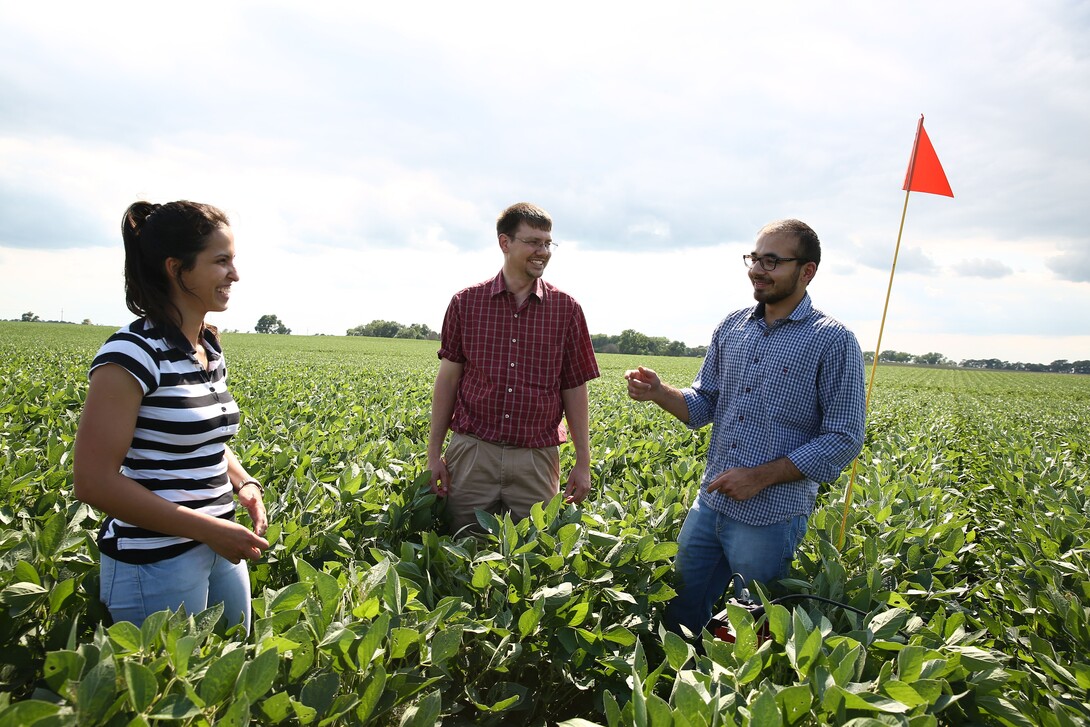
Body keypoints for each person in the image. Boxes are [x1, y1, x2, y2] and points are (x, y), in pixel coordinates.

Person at [625, 219, 866, 636]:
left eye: (772, 261)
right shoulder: (733, 326)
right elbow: (705, 404)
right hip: (710, 505)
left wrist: (759, 477)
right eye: (755, 258)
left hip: (770, 518)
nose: (758, 269)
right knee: (679, 610)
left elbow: (844, 436)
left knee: (753, 630)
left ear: (806, 271)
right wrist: (660, 391)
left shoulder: (833, 340)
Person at [73, 200, 269, 632]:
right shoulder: (130, 355)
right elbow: (92, 481)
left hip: (220, 543)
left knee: (228, 681)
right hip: (154, 560)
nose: (234, 274)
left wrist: (245, 482)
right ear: (177, 269)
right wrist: (206, 529)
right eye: (221, 262)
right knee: (167, 692)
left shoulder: (208, 348)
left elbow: (206, 440)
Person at [427, 202, 600, 535]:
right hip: (473, 452)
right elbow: (448, 381)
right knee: (462, 550)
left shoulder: (567, 310)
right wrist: (434, 454)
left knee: (533, 559)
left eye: (548, 243)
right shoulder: (466, 302)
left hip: (536, 458)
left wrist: (583, 461)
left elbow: (575, 388)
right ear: (505, 243)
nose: (543, 251)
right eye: (533, 242)